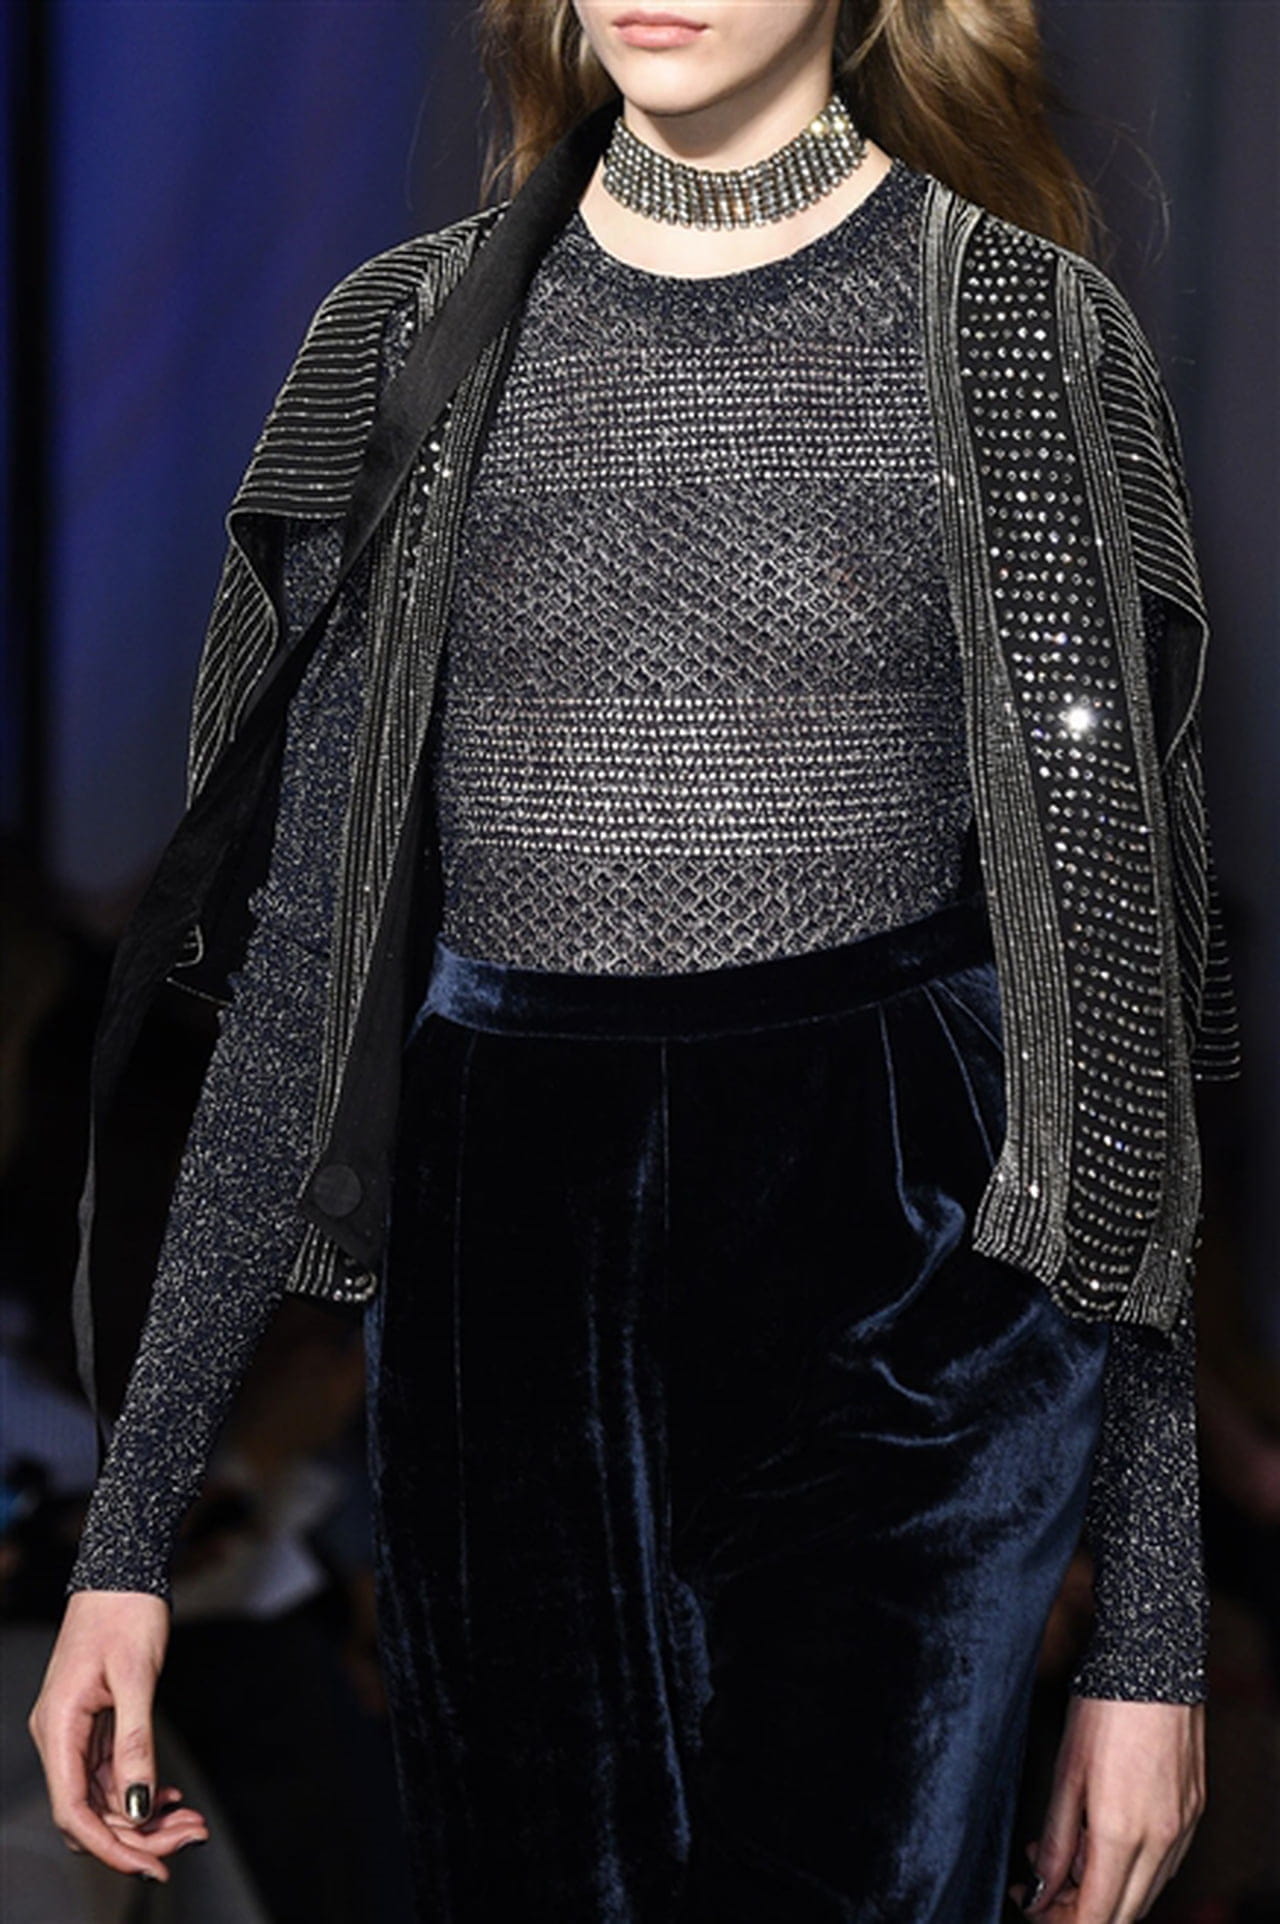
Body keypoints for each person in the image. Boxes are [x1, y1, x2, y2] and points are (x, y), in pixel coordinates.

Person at [28, 2, 1242, 1920]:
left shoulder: (1011, 330)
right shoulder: (413, 337)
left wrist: (1149, 1638)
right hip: (505, 1273)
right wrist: (128, 1539)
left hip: (901, 1269)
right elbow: (295, 987)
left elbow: (1114, 995)